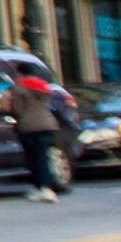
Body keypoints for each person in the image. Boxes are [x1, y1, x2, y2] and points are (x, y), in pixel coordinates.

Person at [8, 74, 74, 202]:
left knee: (36, 159)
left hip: (30, 126)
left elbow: (17, 109)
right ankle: (46, 187)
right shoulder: (43, 86)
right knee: (43, 156)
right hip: (48, 124)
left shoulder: (19, 88)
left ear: (19, 73)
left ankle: (43, 188)